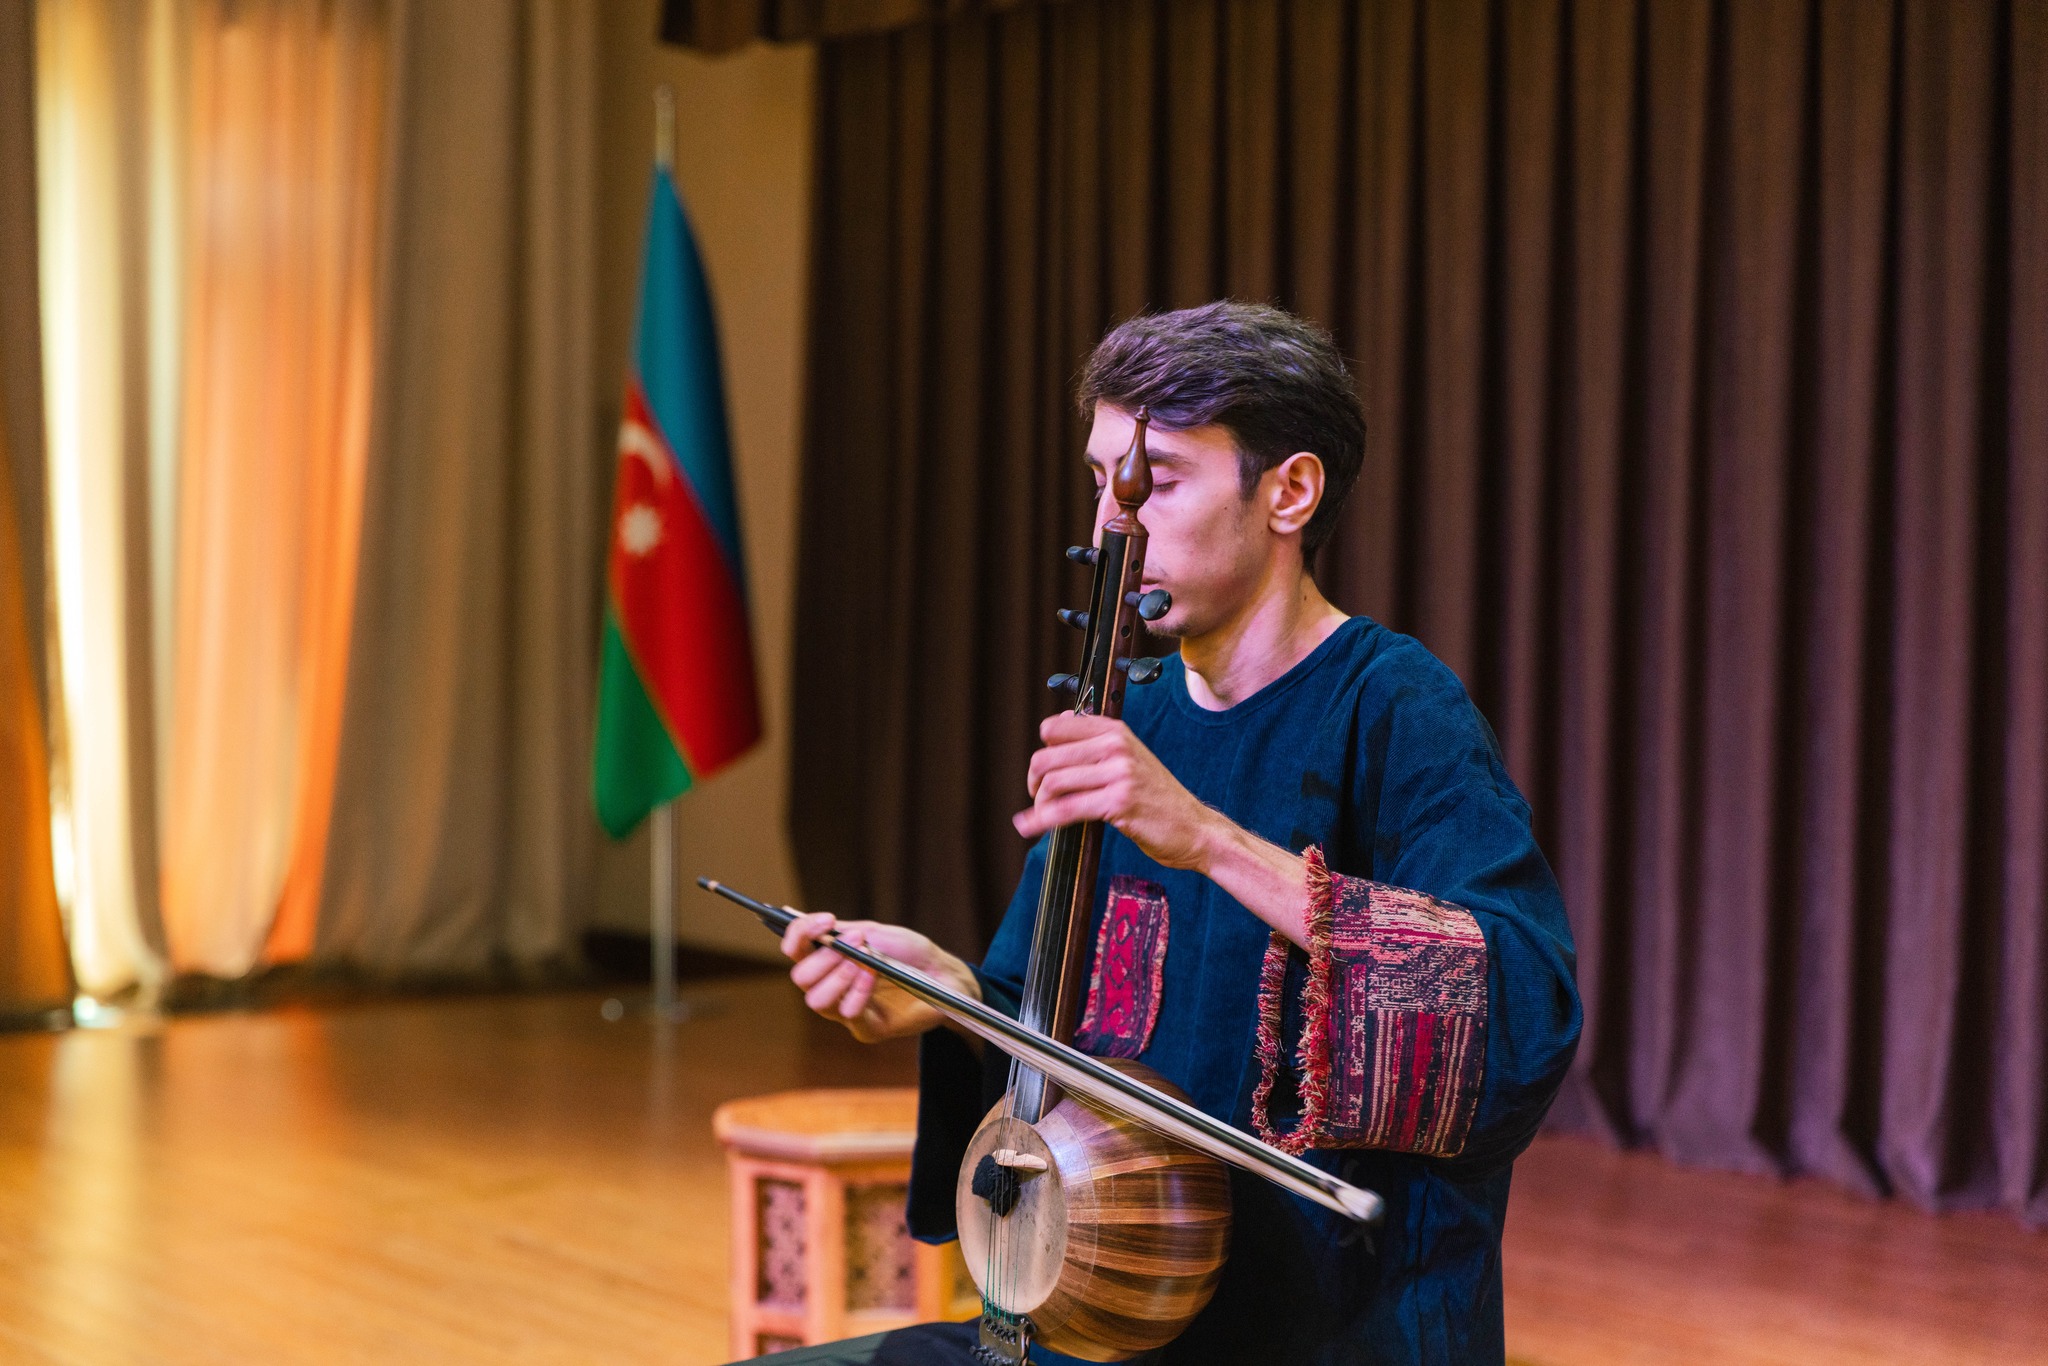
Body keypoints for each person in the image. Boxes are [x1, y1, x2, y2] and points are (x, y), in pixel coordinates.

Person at [765, 302, 1581, 1366]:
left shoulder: (1394, 707)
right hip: (1106, 1319)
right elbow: (1038, 1030)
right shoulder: (1132, 714)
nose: (1115, 520)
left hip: (1328, 1336)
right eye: (1101, 479)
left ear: (1289, 491)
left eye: (1155, 480)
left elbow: (1520, 1011)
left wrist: (1201, 835)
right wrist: (946, 998)